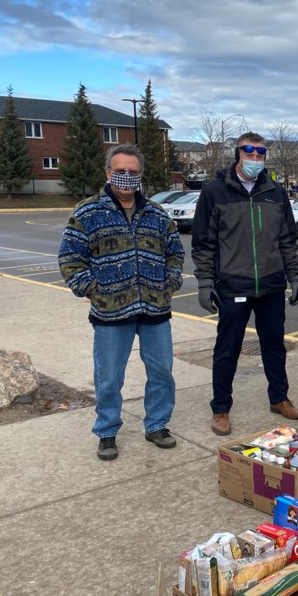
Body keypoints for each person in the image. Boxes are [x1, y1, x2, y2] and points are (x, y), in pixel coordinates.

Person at [58, 143, 185, 461]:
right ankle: (107, 431)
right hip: (110, 313)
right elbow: (71, 258)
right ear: (108, 173)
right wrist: (92, 289)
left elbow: (175, 252)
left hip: (155, 309)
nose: (127, 177)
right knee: (109, 376)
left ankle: (156, 425)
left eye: (133, 172)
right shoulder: (88, 212)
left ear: (140, 175)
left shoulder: (156, 214)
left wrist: (169, 282)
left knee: (162, 373)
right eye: (120, 172)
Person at [192, 131, 298, 436]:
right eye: (249, 152)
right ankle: (220, 409)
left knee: (274, 345)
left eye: (260, 154)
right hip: (233, 285)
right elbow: (204, 243)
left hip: (270, 285)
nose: (255, 158)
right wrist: (205, 282)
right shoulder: (215, 192)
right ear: (237, 154)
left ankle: (279, 399)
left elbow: (287, 240)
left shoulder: (275, 192)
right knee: (227, 349)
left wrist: (294, 276)